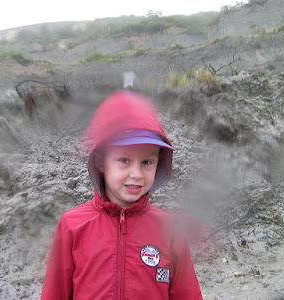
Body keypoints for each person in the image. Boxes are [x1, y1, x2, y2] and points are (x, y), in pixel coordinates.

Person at [41, 90, 203, 299]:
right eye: (124, 160)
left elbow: (186, 293)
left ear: (159, 164)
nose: (136, 175)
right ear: (100, 163)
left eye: (147, 162)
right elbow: (55, 293)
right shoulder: (72, 225)